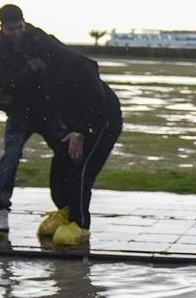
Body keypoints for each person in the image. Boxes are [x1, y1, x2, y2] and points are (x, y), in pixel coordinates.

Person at [14, 23, 122, 246]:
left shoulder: (78, 64)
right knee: (60, 166)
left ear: (40, 53)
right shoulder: (46, 71)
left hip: (102, 122)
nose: (30, 64)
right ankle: (65, 211)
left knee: (81, 170)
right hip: (74, 125)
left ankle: (80, 224)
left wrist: (81, 132)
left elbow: (97, 102)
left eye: (30, 58)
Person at [0, 4, 67, 233]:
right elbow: (8, 84)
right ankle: (2, 209)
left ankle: (68, 206)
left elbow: (61, 63)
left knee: (67, 153)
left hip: (49, 109)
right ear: (2, 27)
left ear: (25, 22)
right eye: (11, 29)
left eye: (19, 27)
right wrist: (31, 69)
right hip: (20, 111)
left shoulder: (41, 39)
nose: (16, 33)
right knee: (10, 158)